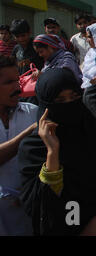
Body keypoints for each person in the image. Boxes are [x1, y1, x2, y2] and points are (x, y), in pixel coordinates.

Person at [18, 68, 96, 236]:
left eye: (74, 97)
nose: (69, 104)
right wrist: (52, 153)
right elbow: (37, 207)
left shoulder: (95, 135)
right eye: (60, 100)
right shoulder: (33, 148)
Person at [0, 55, 37, 235]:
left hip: (27, 215)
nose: (17, 87)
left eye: (18, 80)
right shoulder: (33, 125)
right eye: (9, 82)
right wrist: (29, 134)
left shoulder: (33, 113)